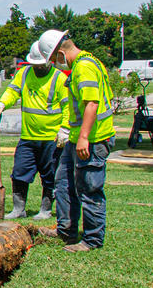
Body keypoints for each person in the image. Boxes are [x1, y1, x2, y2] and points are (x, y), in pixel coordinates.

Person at [37, 31, 116, 252]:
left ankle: (91, 240)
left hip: (92, 139)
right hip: (76, 139)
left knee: (89, 190)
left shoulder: (84, 67)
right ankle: (66, 229)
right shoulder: (83, 64)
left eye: (53, 59)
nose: (54, 64)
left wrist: (83, 138)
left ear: (61, 53)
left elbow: (91, 103)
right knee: (64, 185)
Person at [0, 40, 69, 220]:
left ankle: (45, 209)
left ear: (49, 61)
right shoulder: (24, 74)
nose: (37, 67)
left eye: (40, 64)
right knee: (19, 173)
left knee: (49, 176)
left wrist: (64, 129)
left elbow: (68, 107)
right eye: (34, 64)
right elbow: (12, 92)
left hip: (52, 139)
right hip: (28, 137)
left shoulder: (59, 78)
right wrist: (1, 103)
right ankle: (19, 209)